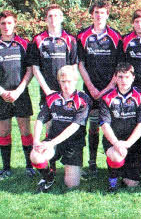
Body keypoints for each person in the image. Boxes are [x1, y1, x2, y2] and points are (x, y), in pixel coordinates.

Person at [77, 0, 122, 177]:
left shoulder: (116, 36)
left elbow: (120, 66)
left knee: (113, 125)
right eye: (96, 12)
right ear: (92, 14)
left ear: (107, 14)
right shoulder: (82, 35)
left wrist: (108, 88)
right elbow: (80, 64)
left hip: (111, 90)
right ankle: (93, 163)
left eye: (102, 12)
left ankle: (116, 161)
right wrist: (91, 88)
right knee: (93, 127)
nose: (99, 15)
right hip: (90, 90)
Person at [30, 65, 91, 193]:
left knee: (71, 185)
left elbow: (74, 127)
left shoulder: (83, 99)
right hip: (53, 140)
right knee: (35, 156)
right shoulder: (52, 98)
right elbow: (40, 119)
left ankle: (73, 168)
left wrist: (51, 143)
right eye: (63, 81)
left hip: (74, 144)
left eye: (69, 81)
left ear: (75, 80)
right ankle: (48, 176)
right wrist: (36, 141)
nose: (66, 85)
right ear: (59, 82)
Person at [0, 10, 36, 180]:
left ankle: (29, 166)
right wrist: (1, 91)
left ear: (15, 24)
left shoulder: (24, 44)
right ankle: (6, 168)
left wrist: (19, 91)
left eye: (9, 23)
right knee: (4, 132)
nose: (6, 26)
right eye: (3, 23)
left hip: (21, 94)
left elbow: (30, 70)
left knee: (25, 131)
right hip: (1, 96)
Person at [100, 62, 141, 192]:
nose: (123, 80)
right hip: (113, 142)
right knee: (116, 156)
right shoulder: (106, 97)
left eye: (127, 77)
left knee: (132, 184)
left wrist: (127, 144)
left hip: (132, 143)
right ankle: (113, 180)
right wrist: (116, 143)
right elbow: (105, 125)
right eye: (120, 77)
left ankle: (123, 170)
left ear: (133, 77)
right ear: (115, 78)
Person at [28, 4, 78, 105]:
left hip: (66, 91)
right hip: (47, 91)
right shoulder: (38, 40)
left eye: (56, 16)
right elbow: (35, 68)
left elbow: (74, 67)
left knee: (66, 120)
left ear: (61, 18)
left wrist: (69, 89)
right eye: (50, 16)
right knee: (48, 121)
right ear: (45, 19)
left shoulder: (70, 39)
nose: (53, 19)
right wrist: (47, 91)